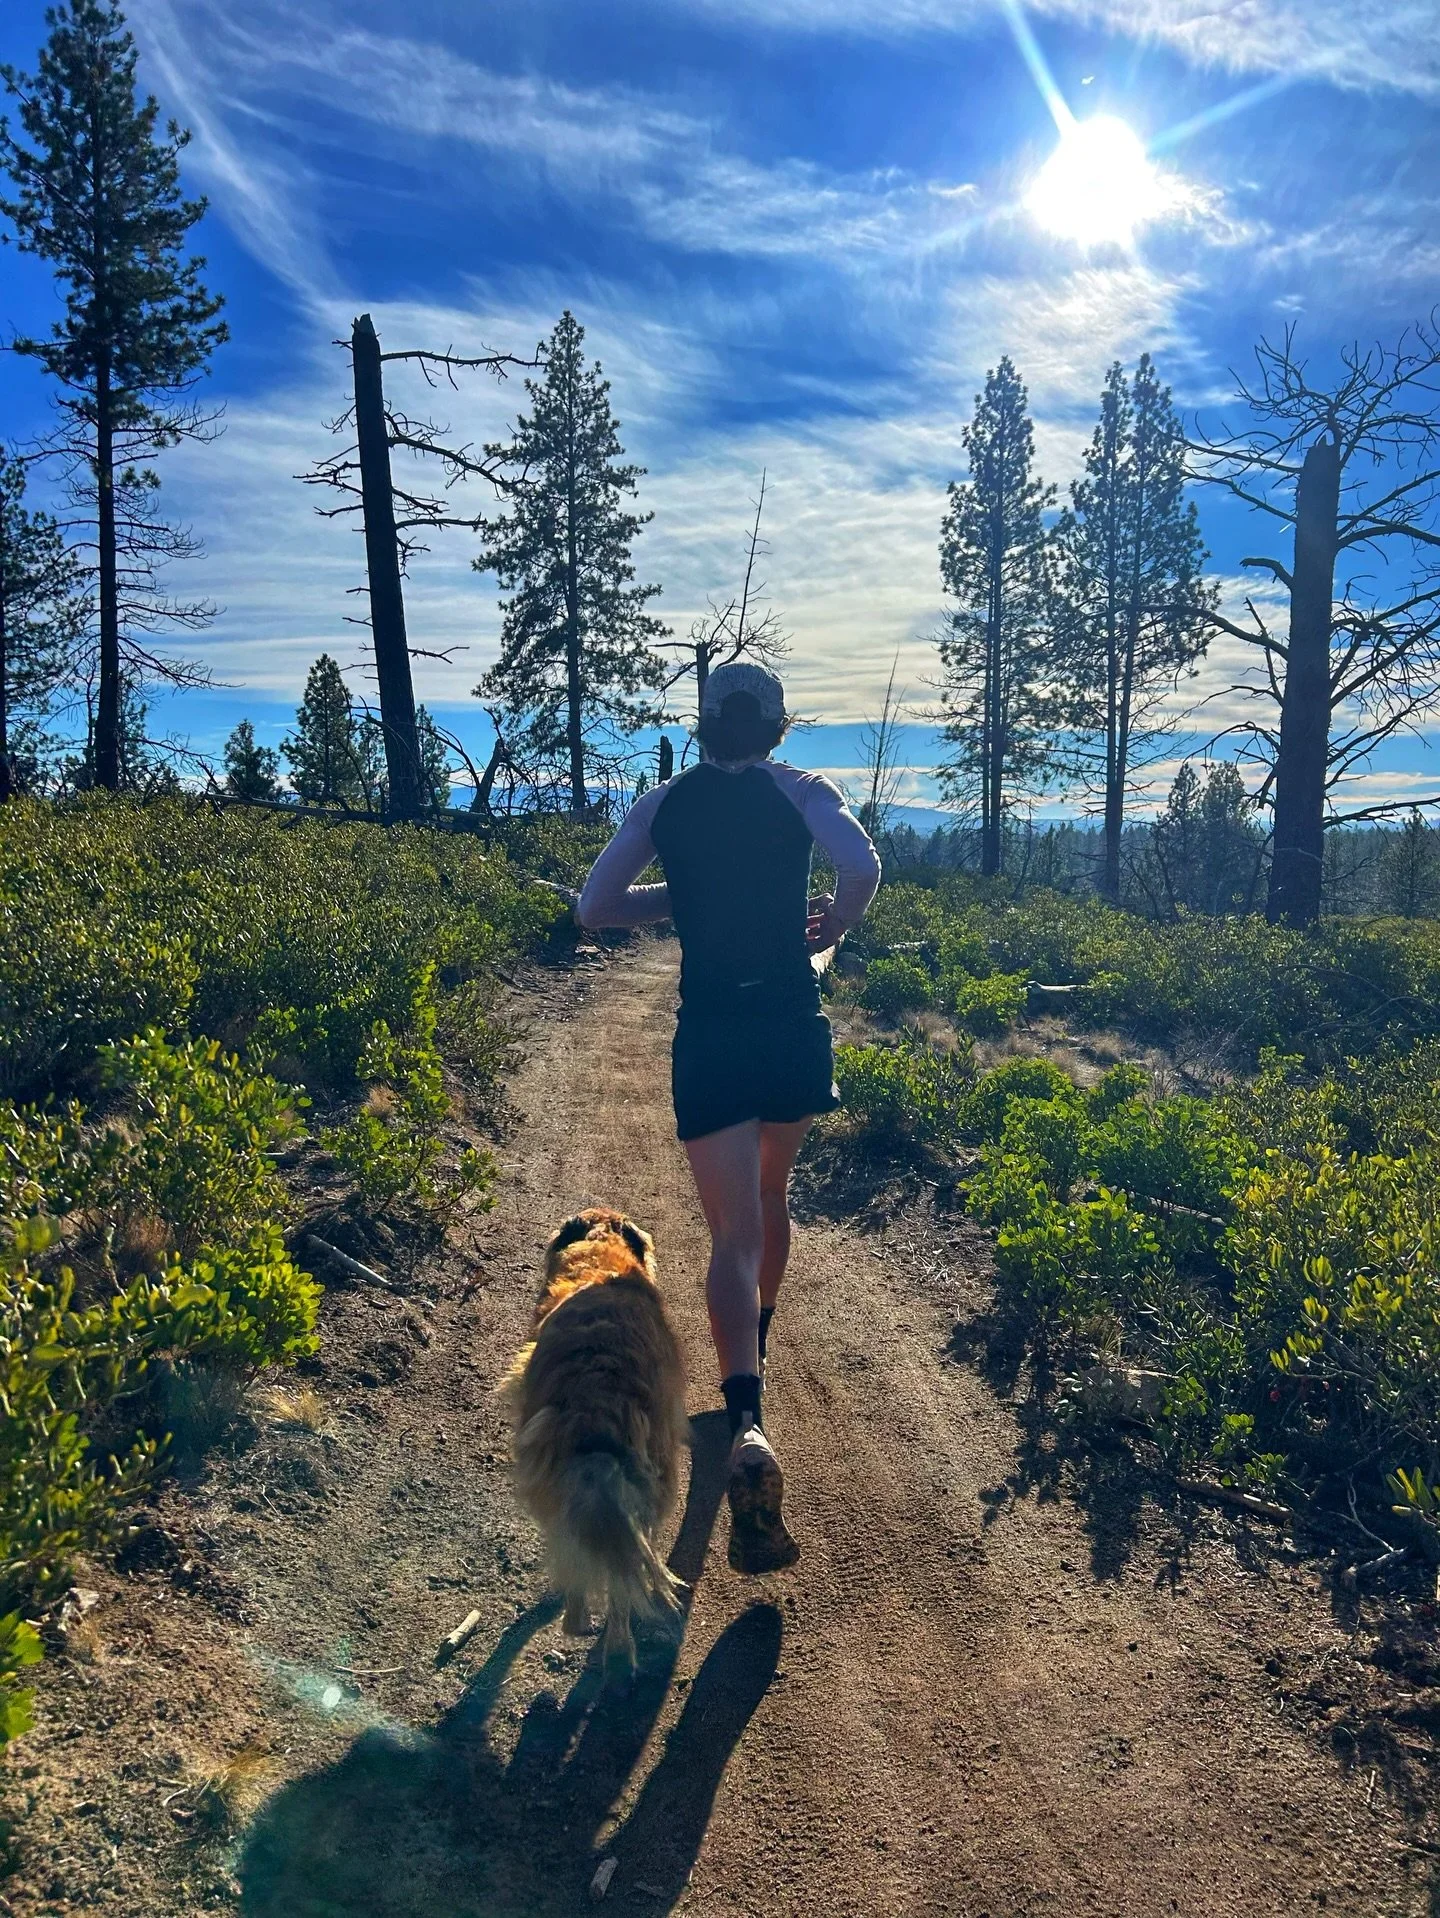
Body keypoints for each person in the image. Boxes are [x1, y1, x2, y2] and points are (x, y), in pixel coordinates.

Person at [575, 662, 881, 1573]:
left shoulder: (662, 805)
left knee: (730, 1234)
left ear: (704, 724)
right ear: (779, 726)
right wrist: (832, 928)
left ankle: (743, 1414)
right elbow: (862, 864)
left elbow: (594, 909)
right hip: (791, 1026)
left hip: (709, 1036)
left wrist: (680, 896)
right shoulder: (803, 791)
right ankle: (761, 1349)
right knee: (773, 1196)